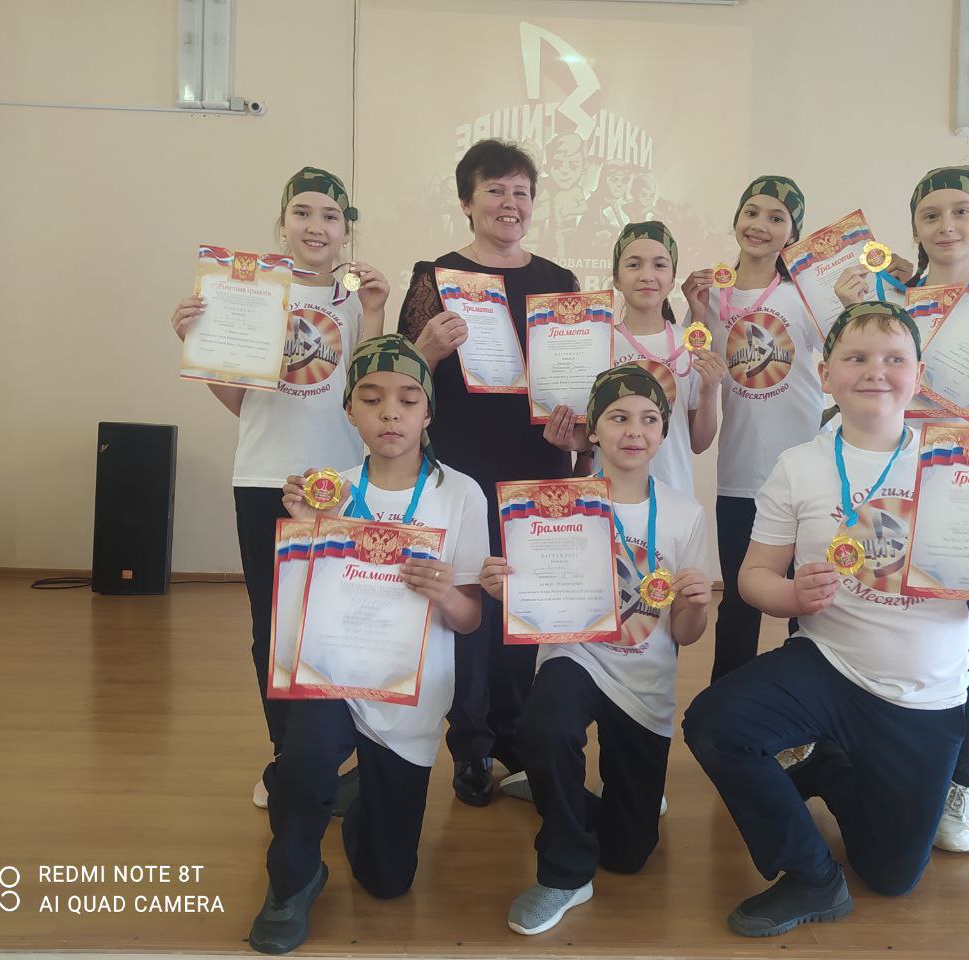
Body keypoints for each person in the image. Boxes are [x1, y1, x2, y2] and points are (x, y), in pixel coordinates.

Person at [683, 302, 969, 937]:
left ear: (918, 375)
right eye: (855, 358)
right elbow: (752, 577)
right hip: (828, 663)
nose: (875, 371)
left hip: (924, 695)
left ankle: (828, 767)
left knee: (892, 875)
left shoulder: (962, 465)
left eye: (893, 359)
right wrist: (793, 595)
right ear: (826, 374)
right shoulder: (799, 465)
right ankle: (810, 876)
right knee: (714, 723)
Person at [247, 335, 488, 954]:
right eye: (372, 399)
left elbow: (468, 620)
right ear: (349, 410)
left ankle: (361, 804)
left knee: (388, 882)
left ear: (428, 413)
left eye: (408, 400)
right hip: (332, 673)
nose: (390, 414)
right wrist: (306, 532)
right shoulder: (327, 492)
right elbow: (302, 596)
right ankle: (291, 879)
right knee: (303, 759)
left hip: (409, 691)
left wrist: (445, 594)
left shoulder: (460, 494)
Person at [169, 166, 386, 808]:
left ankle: (338, 747)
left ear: (346, 230)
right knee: (272, 624)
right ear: (283, 223)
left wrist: (376, 312)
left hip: (344, 483)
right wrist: (198, 342)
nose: (316, 227)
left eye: (330, 216)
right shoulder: (251, 292)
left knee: (339, 620)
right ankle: (287, 754)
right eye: (303, 213)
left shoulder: (356, 299)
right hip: (265, 478)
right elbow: (241, 402)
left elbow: (370, 390)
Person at [834, 165, 969, 853]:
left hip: (963, 486)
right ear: (914, 228)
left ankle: (961, 784)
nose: (946, 225)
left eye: (961, 210)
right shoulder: (890, 300)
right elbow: (851, 377)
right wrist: (846, 314)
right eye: (930, 214)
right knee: (854, 606)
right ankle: (844, 758)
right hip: (882, 475)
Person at [480, 364, 712, 935]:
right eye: (618, 417)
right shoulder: (555, 503)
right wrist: (506, 589)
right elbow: (531, 596)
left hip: (644, 680)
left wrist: (696, 605)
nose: (634, 431)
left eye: (649, 419)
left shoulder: (685, 514)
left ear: (663, 432)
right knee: (545, 728)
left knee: (629, 854)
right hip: (576, 656)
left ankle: (551, 785)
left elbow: (685, 635)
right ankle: (563, 872)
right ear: (593, 429)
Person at [396, 138, 578, 806]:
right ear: (466, 201)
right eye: (495, 189)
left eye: (521, 191)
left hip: (539, 460)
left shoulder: (560, 281)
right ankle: (471, 744)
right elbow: (403, 382)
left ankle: (519, 738)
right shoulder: (436, 277)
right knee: (470, 598)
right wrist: (425, 349)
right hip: (462, 465)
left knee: (525, 602)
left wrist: (579, 430)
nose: (510, 203)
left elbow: (578, 379)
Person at [681, 176, 823, 681]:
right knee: (740, 607)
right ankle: (725, 710)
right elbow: (692, 371)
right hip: (740, 474)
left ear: (793, 233)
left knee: (808, 609)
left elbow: (846, 347)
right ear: (737, 218)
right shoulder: (712, 293)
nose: (760, 225)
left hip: (805, 476)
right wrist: (696, 312)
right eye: (752, 212)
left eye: (776, 217)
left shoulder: (803, 296)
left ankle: (806, 710)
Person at [543, 220, 724, 495]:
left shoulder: (689, 343)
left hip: (673, 497)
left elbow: (699, 443)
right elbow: (589, 436)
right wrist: (568, 440)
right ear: (616, 278)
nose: (647, 275)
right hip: (608, 500)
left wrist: (709, 391)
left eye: (659, 265)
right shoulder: (594, 342)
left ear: (672, 279)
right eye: (634, 264)